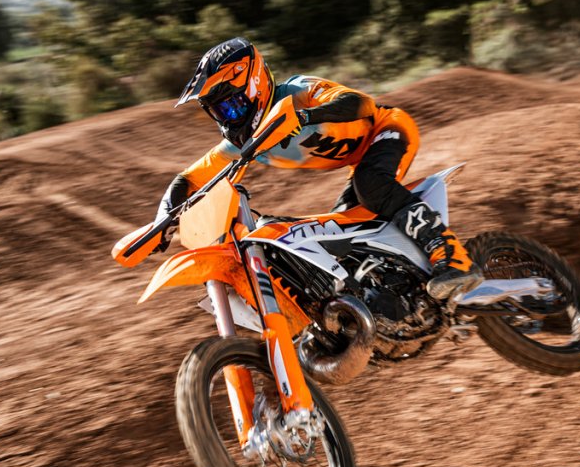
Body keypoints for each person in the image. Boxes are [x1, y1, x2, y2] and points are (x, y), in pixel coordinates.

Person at [155, 37, 482, 300]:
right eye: (218, 112)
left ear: (253, 84)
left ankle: (454, 259)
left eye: (231, 105)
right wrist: (163, 221)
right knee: (339, 234)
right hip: (357, 162)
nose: (227, 118)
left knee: (371, 183)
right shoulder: (245, 143)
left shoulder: (297, 92)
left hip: (386, 128)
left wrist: (305, 116)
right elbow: (191, 178)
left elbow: (361, 103)